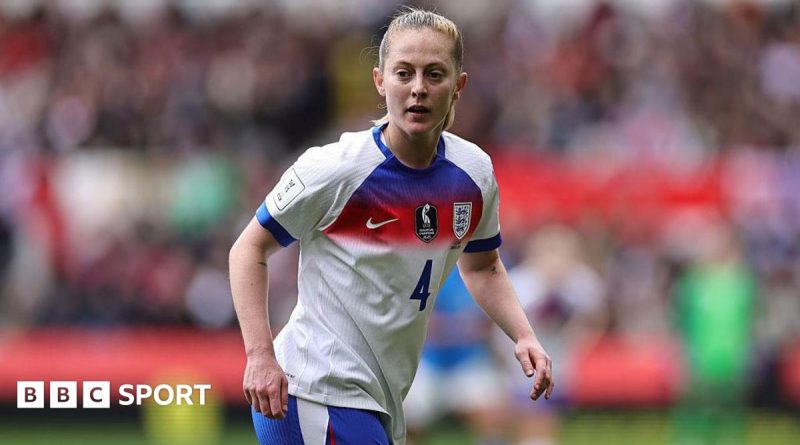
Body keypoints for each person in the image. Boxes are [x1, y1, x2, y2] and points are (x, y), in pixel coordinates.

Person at [229, 8, 554, 445]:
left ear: (459, 85)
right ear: (381, 81)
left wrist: (523, 334)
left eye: (434, 74)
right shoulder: (335, 169)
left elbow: (483, 266)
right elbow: (249, 249)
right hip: (312, 390)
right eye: (405, 73)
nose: (418, 88)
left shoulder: (474, 174)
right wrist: (259, 356)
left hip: (379, 400)